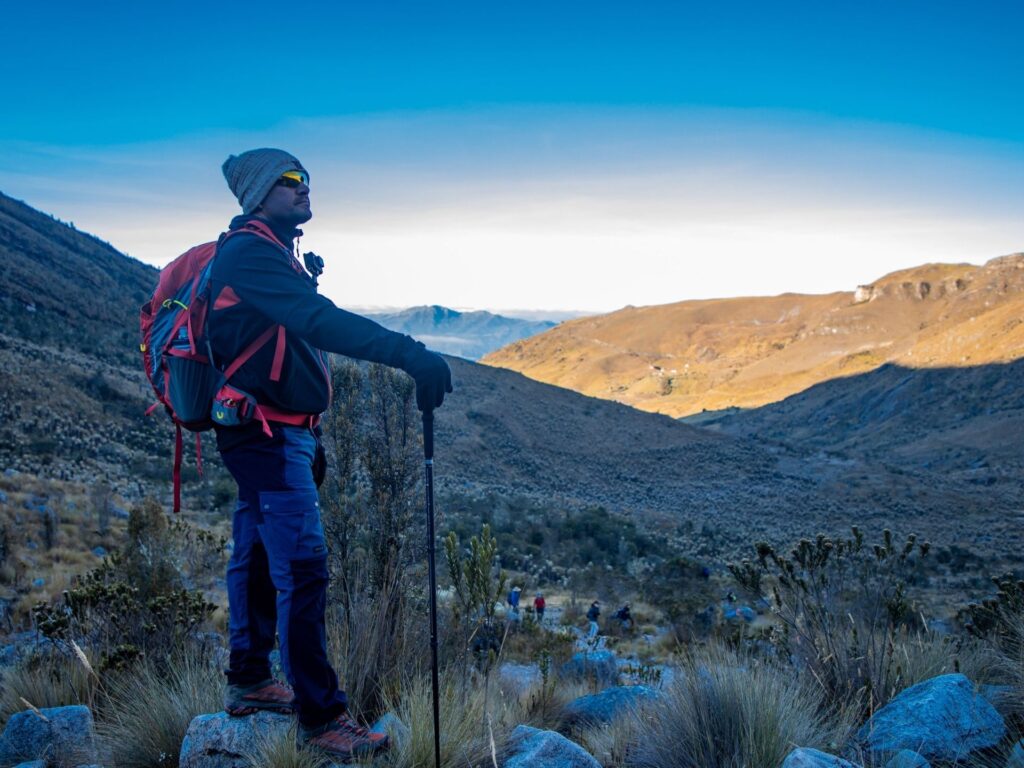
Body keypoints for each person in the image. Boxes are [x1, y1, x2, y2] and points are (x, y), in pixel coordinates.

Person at [211, 148, 452, 761]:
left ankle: (251, 680)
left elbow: (287, 352)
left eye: (306, 178)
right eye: (289, 180)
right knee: (305, 569)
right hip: (262, 435)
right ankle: (322, 721)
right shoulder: (249, 253)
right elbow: (319, 323)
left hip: (272, 432)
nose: (304, 187)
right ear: (259, 194)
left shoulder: (272, 254)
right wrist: (410, 354)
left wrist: (309, 435)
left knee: (260, 554)